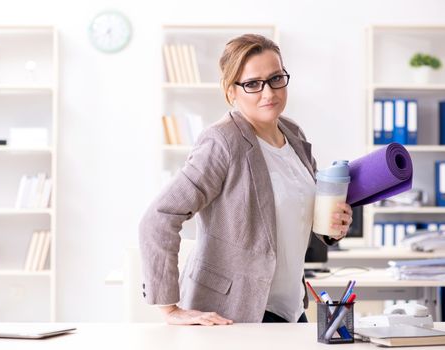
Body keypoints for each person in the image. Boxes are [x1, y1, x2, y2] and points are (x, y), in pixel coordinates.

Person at [138, 34, 353, 326]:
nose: (269, 93)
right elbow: (159, 217)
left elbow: (298, 213)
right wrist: (170, 308)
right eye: (252, 84)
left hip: (289, 308)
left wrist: (332, 227)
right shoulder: (222, 142)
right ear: (231, 92)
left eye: (276, 78)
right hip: (233, 312)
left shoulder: (294, 134)